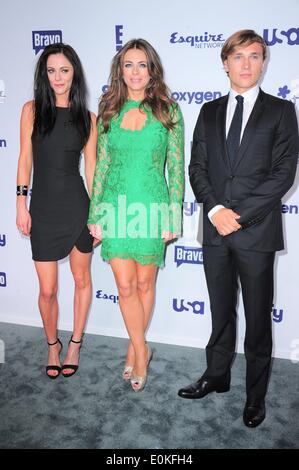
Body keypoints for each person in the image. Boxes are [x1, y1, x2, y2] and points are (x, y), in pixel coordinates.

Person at [178, 30, 298, 427]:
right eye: (238, 56)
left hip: (256, 232)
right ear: (225, 62)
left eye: (254, 56)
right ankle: (217, 376)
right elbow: (197, 167)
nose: (246, 64)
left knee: (259, 319)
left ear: (263, 62)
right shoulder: (209, 111)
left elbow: (282, 175)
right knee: (220, 311)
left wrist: (239, 215)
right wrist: (214, 210)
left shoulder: (281, 111)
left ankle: (255, 396)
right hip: (214, 230)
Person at [88, 38, 184, 392]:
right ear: (120, 70)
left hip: (151, 206)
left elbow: (175, 168)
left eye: (142, 65)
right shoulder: (108, 109)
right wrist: (94, 212)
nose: (135, 72)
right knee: (124, 286)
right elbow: (101, 166)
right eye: (128, 65)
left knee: (145, 284)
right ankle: (143, 351)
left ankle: (133, 347)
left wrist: (173, 216)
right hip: (115, 206)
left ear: (152, 69)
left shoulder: (168, 111)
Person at [16, 43, 97, 379]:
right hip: (44, 209)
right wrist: (20, 202)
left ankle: (75, 343)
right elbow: (24, 160)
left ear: (74, 72)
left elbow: (91, 170)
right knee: (47, 290)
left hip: (78, 206)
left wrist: (98, 216)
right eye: (51, 71)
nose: (58, 77)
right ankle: (53, 344)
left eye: (64, 70)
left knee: (81, 280)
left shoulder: (88, 119)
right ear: (43, 75)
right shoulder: (32, 110)